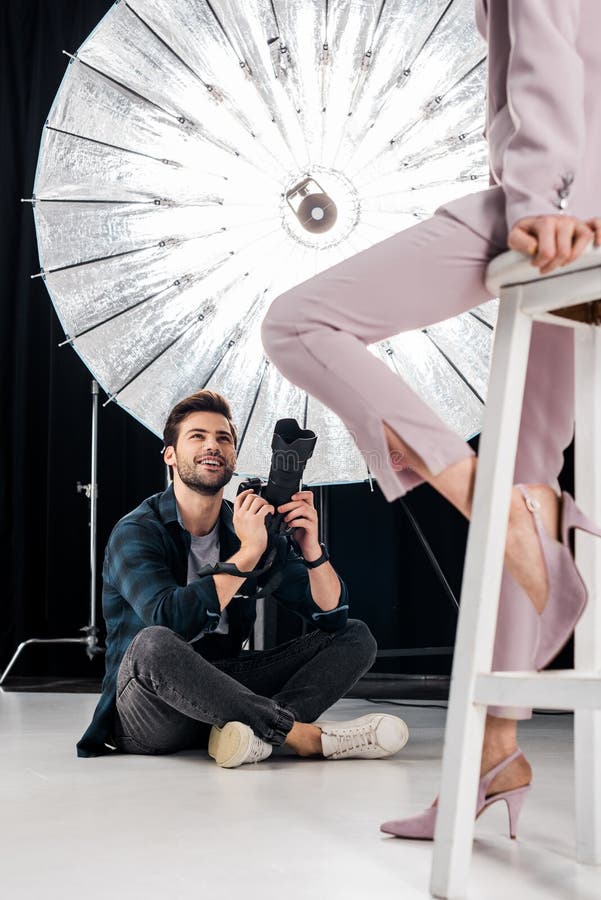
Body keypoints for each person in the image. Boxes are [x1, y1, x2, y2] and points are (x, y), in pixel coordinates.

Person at [260, 0, 601, 835]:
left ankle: (512, 532)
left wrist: (541, 194)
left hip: (563, 210)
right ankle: (495, 753)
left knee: (298, 323)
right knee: (528, 471)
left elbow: (549, 53)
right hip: (571, 202)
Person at [77, 390, 409, 767]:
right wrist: (248, 554)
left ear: (234, 457)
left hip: (225, 691)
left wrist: (313, 550)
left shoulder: (246, 528)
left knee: (356, 636)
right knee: (153, 643)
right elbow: (170, 621)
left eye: (223, 438)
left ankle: (249, 735)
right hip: (151, 707)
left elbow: (330, 617)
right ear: (170, 454)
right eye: (197, 436)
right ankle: (298, 735)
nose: (212, 446)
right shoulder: (137, 531)